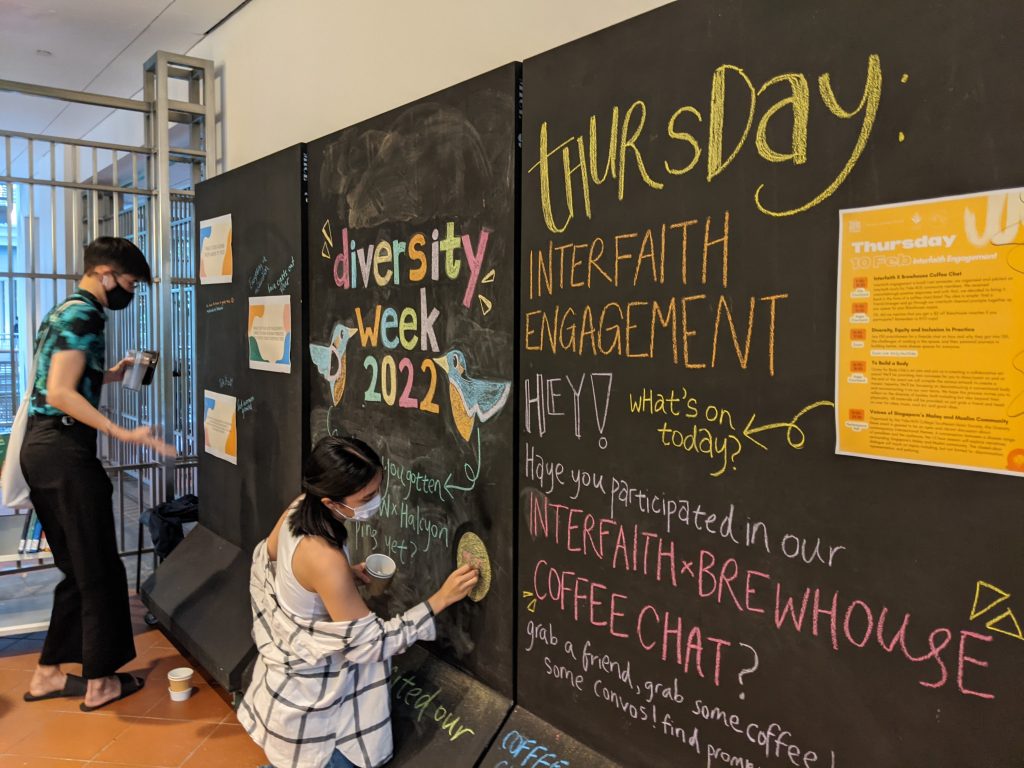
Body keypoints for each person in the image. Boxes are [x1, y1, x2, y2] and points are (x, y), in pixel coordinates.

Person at [239, 436, 478, 768]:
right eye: (367, 496)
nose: (376, 501)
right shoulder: (325, 559)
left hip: (283, 689)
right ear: (330, 502)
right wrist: (440, 599)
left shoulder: (297, 510)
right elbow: (372, 645)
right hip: (316, 711)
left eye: (378, 489)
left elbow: (269, 563)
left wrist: (337, 580)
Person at [21, 236, 175, 711]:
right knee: (101, 568)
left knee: (78, 567)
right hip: (65, 450)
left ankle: (48, 673)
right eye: (129, 283)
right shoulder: (87, 312)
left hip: (43, 447)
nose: (129, 292)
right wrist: (118, 431)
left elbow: (55, 377)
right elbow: (61, 391)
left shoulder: (63, 310)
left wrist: (109, 374)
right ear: (105, 274)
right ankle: (101, 682)